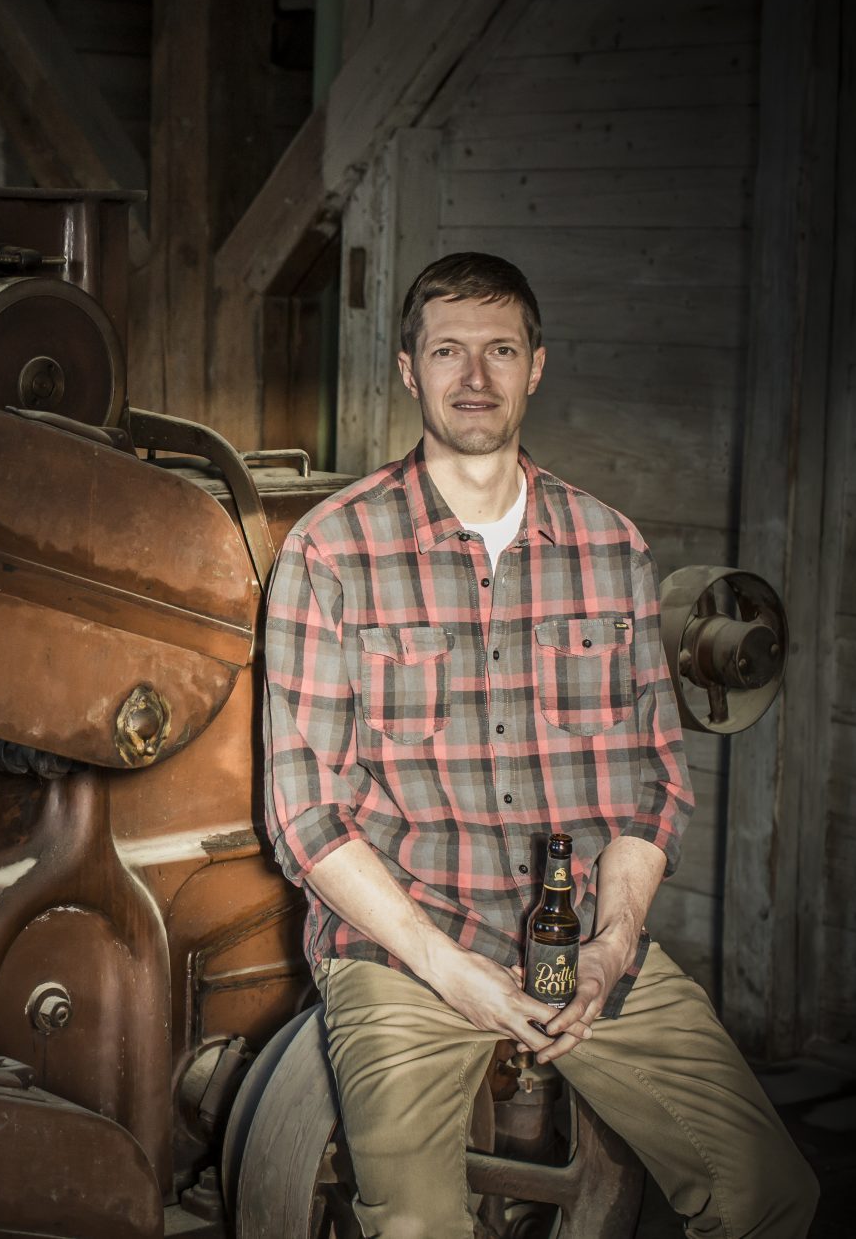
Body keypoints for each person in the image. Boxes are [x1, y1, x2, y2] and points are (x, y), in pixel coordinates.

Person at [262, 252, 819, 1237]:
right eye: (447, 351)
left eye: (499, 351)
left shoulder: (611, 548)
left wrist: (611, 941)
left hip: (583, 960)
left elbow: (649, 788)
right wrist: (445, 965)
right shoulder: (329, 550)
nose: (474, 379)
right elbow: (306, 817)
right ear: (407, 369)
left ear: (536, 366)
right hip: (408, 955)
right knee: (419, 1228)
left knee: (766, 1191)